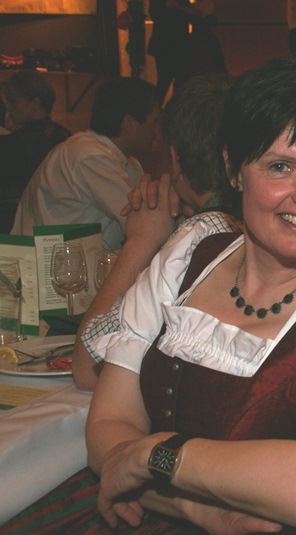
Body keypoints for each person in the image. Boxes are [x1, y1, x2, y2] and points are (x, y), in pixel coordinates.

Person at [3, 55, 296, 534]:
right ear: (233, 170)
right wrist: (198, 509)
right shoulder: (189, 252)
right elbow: (108, 427)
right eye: (281, 166)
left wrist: (157, 455)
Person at [72, 72, 239, 391]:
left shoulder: (196, 237)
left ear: (174, 160)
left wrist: (143, 240)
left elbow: (88, 368)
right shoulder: (268, 225)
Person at [11, 77, 161, 251]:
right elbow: (145, 224)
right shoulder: (90, 156)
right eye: (154, 122)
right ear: (129, 124)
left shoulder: (126, 161)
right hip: (42, 262)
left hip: (69, 259)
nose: (158, 130)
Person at [0, 70, 72, 232]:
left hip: (26, 222)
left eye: (13, 101)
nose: (8, 108)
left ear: (35, 103)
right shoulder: (63, 133)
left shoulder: (21, 141)